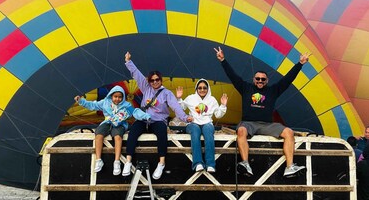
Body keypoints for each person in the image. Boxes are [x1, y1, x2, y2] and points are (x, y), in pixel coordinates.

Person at [214, 46, 309, 178]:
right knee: (241, 130)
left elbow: (287, 79)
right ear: (254, 79)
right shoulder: (245, 87)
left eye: (263, 79)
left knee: (289, 132)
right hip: (248, 123)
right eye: (257, 79)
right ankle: (245, 163)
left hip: (267, 125)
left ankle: (290, 166)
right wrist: (223, 60)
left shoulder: (273, 90)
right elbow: (233, 76)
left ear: (266, 81)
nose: (260, 81)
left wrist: (300, 64)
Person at [123, 51, 193, 179]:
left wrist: (185, 117)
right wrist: (128, 62)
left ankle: (161, 163)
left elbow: (175, 106)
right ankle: (128, 161)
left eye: (157, 80)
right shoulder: (146, 88)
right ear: (149, 81)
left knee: (162, 132)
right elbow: (137, 75)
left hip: (158, 121)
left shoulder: (167, 93)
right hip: (144, 119)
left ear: (161, 80)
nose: (155, 82)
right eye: (152, 80)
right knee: (133, 131)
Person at [74, 85, 150, 175]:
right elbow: (93, 105)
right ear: (111, 96)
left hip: (120, 124)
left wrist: (146, 116)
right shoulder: (105, 102)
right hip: (107, 122)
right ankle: (99, 160)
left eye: (120, 97)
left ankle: (117, 161)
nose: (117, 99)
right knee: (98, 135)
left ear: (123, 97)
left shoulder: (127, 105)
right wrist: (81, 101)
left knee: (117, 137)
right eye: (115, 97)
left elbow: (135, 112)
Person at [176, 79, 228, 173]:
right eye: (200, 88)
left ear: (208, 89)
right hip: (193, 123)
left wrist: (223, 105)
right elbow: (181, 107)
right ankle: (198, 163)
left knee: (208, 131)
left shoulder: (212, 100)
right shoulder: (191, 97)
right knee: (195, 131)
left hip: (207, 123)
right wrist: (179, 99)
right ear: (196, 89)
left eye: (204, 88)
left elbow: (218, 115)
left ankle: (210, 164)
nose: (202, 90)